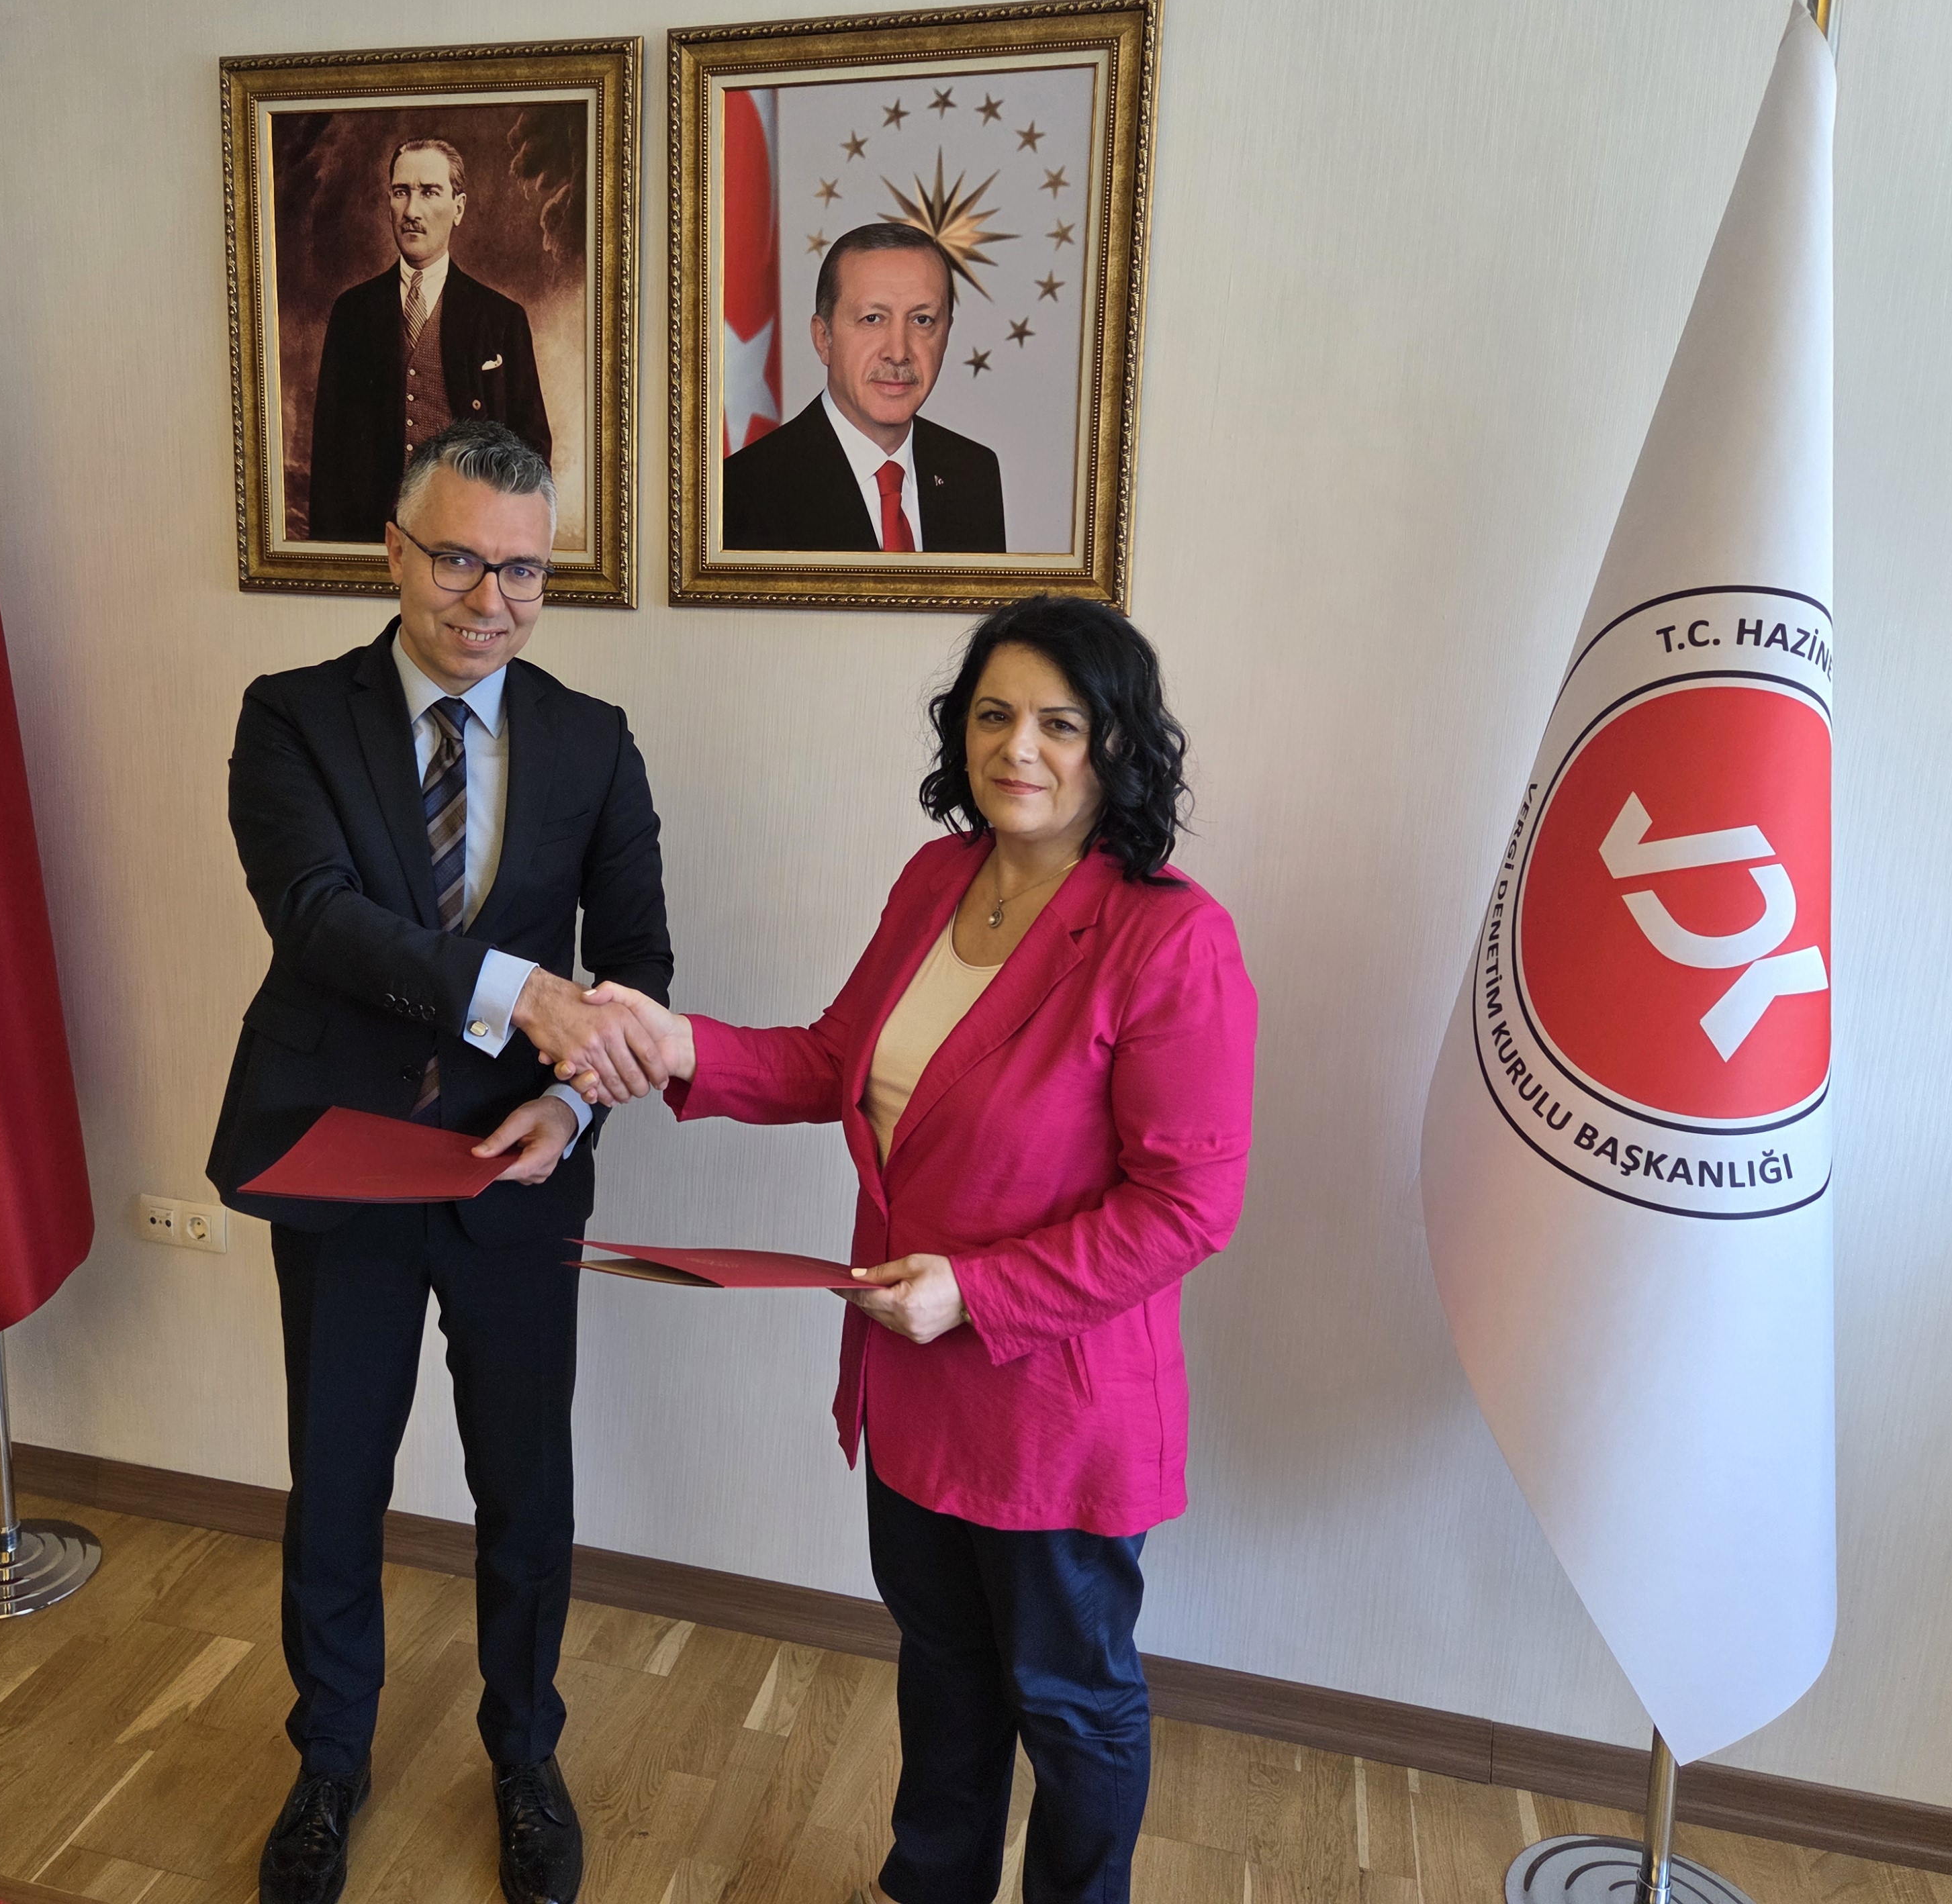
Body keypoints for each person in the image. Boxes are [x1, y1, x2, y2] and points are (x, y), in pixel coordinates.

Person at [567, 597, 1254, 1904]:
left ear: (1117, 745)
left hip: (1052, 1399)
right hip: (910, 1370)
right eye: (993, 715)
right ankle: (931, 1885)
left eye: (1059, 723)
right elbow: (838, 1061)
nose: (1018, 748)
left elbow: (1185, 1207)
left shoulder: (1170, 936)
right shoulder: (936, 881)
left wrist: (978, 1291)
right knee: (941, 1666)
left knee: (1068, 1698)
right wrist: (678, 1043)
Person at [207, 420, 672, 1904]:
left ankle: (524, 1758)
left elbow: (638, 964)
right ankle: (328, 1762)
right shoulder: (291, 717)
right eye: (461, 559)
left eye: (524, 571)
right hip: (343, 1160)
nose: (491, 600)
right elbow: (317, 916)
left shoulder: (592, 739)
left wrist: (574, 1107)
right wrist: (518, 995)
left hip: (514, 1177)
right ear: (395, 552)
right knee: (337, 1477)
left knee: (524, 1488)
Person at [305, 138, 555, 543]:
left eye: (429, 192)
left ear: (459, 208)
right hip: (370, 540)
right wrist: (331, 558)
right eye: (401, 192)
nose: (411, 211)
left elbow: (533, 449)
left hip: (469, 542)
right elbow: (328, 456)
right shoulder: (352, 313)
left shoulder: (501, 319)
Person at [721, 220, 1007, 553]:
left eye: (922, 320)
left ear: (946, 335)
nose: (898, 352)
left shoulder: (973, 474)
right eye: (873, 319)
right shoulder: (744, 492)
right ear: (824, 338)